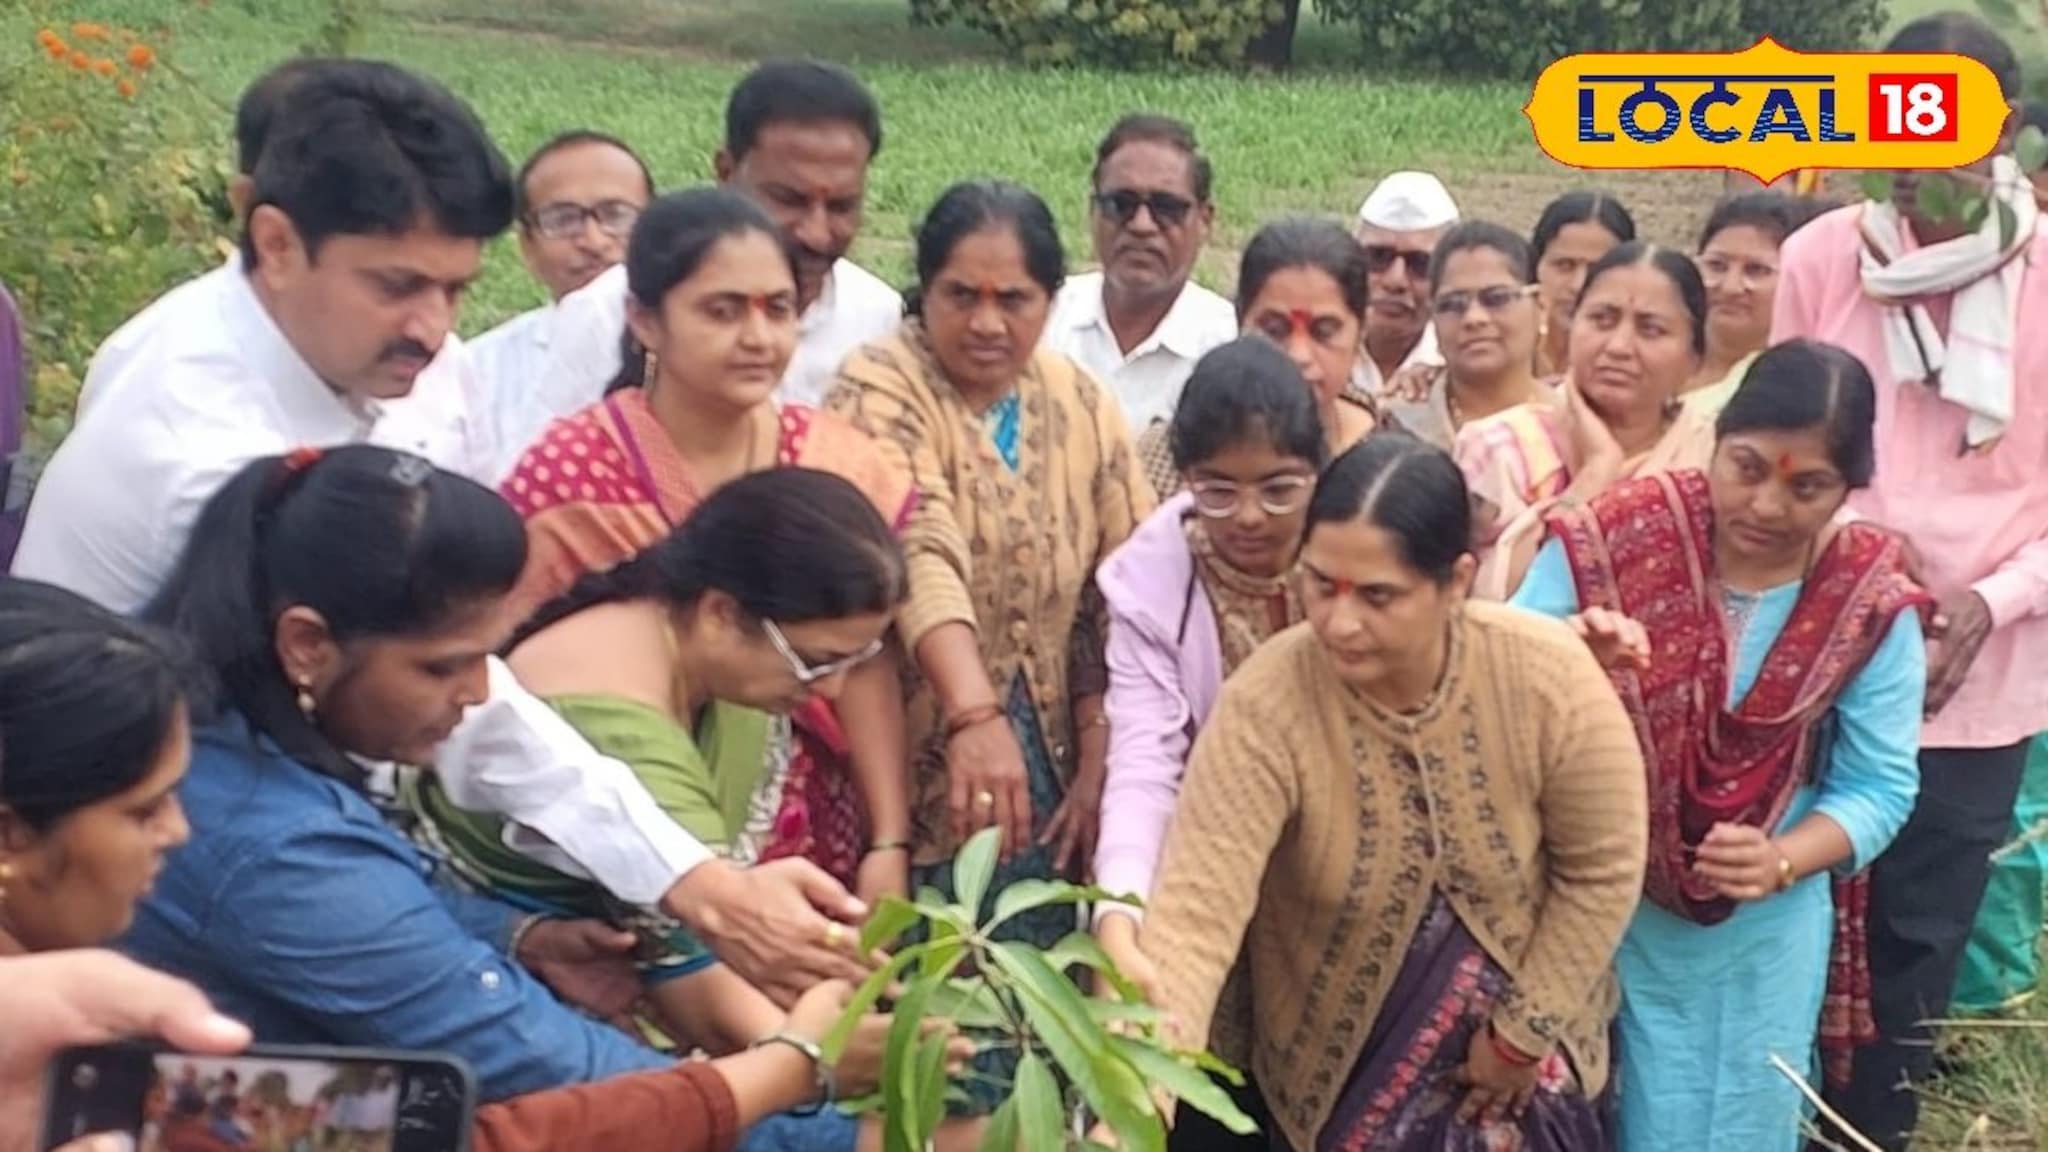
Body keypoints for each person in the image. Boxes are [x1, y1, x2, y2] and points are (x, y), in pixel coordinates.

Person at [11, 62, 872, 1004]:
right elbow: (454, 692)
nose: (431, 328)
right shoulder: (201, 446)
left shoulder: (399, 364)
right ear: (277, 242)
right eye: (397, 285)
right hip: (116, 848)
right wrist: (695, 885)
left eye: (456, 289)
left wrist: (661, 885)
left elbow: (449, 658)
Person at [122, 448, 921, 1152]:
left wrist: (512, 935)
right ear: (306, 644)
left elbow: (521, 772)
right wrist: (807, 1086)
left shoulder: (233, 736)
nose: (478, 694)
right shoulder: (271, 842)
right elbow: (547, 1072)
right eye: (444, 668)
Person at [1137, 433, 1646, 1151]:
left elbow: (1603, 870)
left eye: (1379, 596)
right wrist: (1137, 1098)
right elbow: (1196, 917)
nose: (1339, 622)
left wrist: (1522, 1033)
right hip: (1334, 1070)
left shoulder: (1548, 676)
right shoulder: (1267, 703)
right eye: (1321, 584)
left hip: (1524, 1064)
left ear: (1456, 582)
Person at [1511, 341, 1928, 1152]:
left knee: (1739, 1119)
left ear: (1849, 488)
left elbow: (1881, 786)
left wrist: (1783, 859)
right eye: (1747, 468)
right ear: (1716, 440)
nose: (1767, 505)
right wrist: (1572, 658)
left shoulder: (1867, 599)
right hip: (1598, 902)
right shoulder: (1616, 539)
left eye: (1806, 487)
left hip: (1763, 930)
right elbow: (1497, 672)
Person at [1770, 15, 2048, 1148]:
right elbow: (1782, 450)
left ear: (2004, 134)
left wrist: (1988, 604)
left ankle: (1863, 1134)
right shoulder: (1819, 258)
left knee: (1918, 938)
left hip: (1984, 670)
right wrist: (1867, 582)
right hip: (1824, 643)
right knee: (1794, 905)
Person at [825, 180, 1153, 1110]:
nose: (985, 322)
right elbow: (915, 544)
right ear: (923, 291)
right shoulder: (877, 385)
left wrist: (1102, 757)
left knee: (1041, 1036)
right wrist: (974, 714)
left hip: (1050, 786)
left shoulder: (1080, 400)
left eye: (1015, 299)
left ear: (1051, 299)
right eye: (960, 294)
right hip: (904, 769)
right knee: (932, 1047)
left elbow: (1123, 590)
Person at [499, 187, 917, 902]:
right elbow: (514, 672)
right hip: (633, 831)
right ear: (645, 321)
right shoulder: (569, 473)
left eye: (778, 309)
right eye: (722, 311)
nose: (758, 337)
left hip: (822, 818)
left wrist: (889, 839)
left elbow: (862, 660)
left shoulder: (837, 462)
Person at [413, 469, 905, 1051]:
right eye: (816, 663)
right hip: (514, 1020)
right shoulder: (614, 722)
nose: (832, 690)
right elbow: (705, 1001)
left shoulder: (686, 639)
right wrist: (849, 1063)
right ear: (722, 613)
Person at [1092, 337, 1325, 1152]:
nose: (1250, 516)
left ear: (1318, 472)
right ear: (1184, 479)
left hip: (1342, 879)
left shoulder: (1354, 552)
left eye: (1279, 488)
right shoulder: (1152, 583)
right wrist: (1121, 912)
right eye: (1218, 491)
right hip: (1210, 872)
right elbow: (1143, 763)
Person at [533, 59, 900, 421]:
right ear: (726, 172)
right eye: (789, 200)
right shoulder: (602, 315)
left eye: (841, 206)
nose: (817, 234)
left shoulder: (877, 317)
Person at [1458, 242, 1716, 599]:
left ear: (1695, 359)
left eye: (1651, 329)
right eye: (1601, 319)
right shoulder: (1499, 448)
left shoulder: (1712, 460)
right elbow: (1492, 606)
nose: (1618, 347)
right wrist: (1597, 471)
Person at [1140, 218, 1378, 500]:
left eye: (1323, 332)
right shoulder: (1164, 461)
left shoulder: (1388, 463)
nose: (1298, 355)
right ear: (1239, 322)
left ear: (1361, 332)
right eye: (1274, 330)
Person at [471, 132, 655, 478]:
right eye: (563, 220)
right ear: (527, 246)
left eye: (616, 215)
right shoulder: (479, 371)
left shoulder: (701, 351)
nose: (594, 241)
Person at [1043, 114, 1237, 433]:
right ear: (1093, 212)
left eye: (1167, 207)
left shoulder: (1229, 346)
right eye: (1121, 204)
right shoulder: (1043, 321)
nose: (1142, 225)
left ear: (1205, 221)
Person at [1379, 221, 1553, 450]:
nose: (1474, 318)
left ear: (1540, 306)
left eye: (1496, 298)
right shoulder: (1394, 427)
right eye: (1452, 304)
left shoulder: (1577, 424)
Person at [1683, 192, 1827, 417]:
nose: (1730, 287)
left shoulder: (1793, 391)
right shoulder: (1655, 359)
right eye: (1717, 266)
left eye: (1756, 270)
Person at [1349, 170, 1460, 398]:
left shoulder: (1462, 366)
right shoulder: (1316, 356)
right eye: (1378, 257)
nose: (1395, 281)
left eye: (1419, 263)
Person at [1529, 191, 1636, 378]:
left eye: (1597, 269)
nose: (1578, 285)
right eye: (1564, 265)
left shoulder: (1637, 367)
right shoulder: (1501, 358)